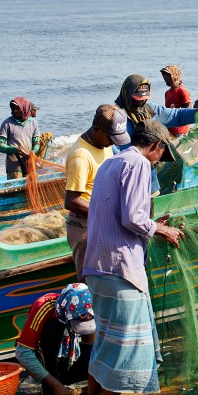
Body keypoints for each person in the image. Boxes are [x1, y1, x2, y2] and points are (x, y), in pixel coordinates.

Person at [82, 119, 185, 395]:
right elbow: (132, 218)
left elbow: (122, 217)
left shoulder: (110, 163)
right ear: (154, 146)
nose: (158, 162)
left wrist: (152, 223)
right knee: (121, 346)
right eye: (160, 156)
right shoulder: (139, 163)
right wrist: (162, 229)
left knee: (102, 344)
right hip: (121, 270)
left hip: (96, 267)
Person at [65, 105, 131, 283]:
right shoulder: (81, 156)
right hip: (85, 227)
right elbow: (71, 201)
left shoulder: (104, 144)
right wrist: (107, 210)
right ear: (97, 130)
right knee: (91, 282)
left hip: (102, 220)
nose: (113, 142)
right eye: (111, 137)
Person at [113, 74, 198, 194]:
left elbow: (177, 115)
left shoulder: (149, 110)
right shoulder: (117, 117)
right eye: (136, 99)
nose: (140, 103)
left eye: (144, 99)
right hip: (127, 176)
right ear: (127, 94)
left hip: (150, 175)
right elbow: (111, 149)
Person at [15, 283, 95, 395]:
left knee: (98, 355)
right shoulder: (44, 306)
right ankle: (50, 394)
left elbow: (91, 340)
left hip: (68, 355)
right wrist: (55, 385)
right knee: (51, 329)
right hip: (46, 361)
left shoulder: (90, 304)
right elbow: (23, 353)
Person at [0, 97, 40, 179]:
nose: (15, 111)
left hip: (29, 161)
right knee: (16, 183)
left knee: (31, 185)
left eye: (18, 108)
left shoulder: (33, 123)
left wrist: (33, 151)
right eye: (14, 108)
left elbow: (36, 143)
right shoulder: (7, 123)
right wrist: (15, 149)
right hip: (13, 163)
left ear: (25, 108)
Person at [161, 65, 192, 137]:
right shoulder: (167, 93)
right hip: (169, 130)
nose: (165, 77)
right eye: (164, 75)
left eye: (167, 75)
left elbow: (188, 112)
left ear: (174, 75)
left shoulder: (182, 91)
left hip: (181, 131)